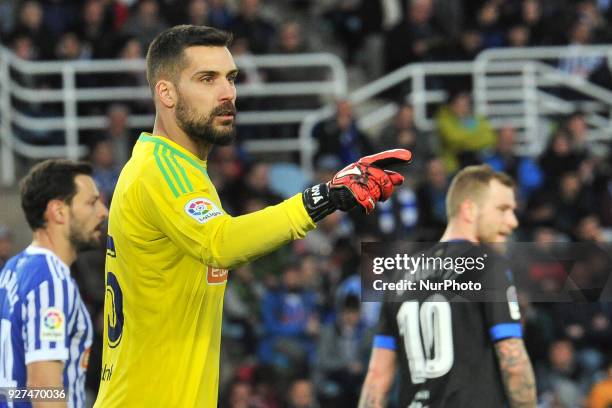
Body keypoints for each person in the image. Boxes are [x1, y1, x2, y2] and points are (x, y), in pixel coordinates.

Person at [94, 25, 412, 407]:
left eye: (230, 78)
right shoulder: (162, 170)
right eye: (206, 79)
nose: (227, 92)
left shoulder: (177, 170)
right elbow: (220, 242)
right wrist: (321, 198)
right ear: (166, 92)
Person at [359, 165, 536, 407]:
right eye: (503, 209)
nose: (513, 221)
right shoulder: (487, 266)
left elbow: (377, 378)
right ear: (469, 210)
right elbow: (513, 361)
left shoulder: (399, 275)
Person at [0, 160, 108, 408]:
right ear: (58, 212)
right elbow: (43, 388)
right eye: (92, 202)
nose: (103, 211)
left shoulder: (13, 269)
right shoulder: (50, 280)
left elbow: (15, 387)